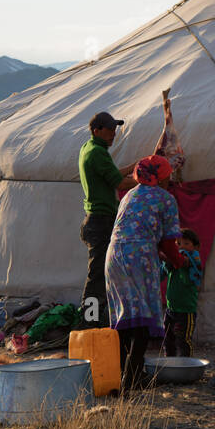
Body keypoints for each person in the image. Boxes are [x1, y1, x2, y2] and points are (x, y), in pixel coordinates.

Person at [104, 155, 182, 393]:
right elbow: (169, 243)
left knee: (123, 317)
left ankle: (117, 377)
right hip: (139, 259)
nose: (171, 177)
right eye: (169, 173)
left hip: (114, 256)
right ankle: (134, 378)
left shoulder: (129, 195)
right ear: (161, 176)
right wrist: (179, 263)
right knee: (141, 318)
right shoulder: (165, 199)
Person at [79, 111, 137, 326]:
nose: (114, 133)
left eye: (115, 129)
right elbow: (119, 184)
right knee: (97, 276)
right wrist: (149, 180)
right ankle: (90, 322)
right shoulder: (97, 153)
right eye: (109, 129)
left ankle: (96, 319)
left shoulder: (89, 148)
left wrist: (134, 167)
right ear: (97, 130)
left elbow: (111, 174)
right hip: (101, 220)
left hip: (95, 219)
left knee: (100, 273)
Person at [162, 228, 203, 358]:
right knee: (168, 340)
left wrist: (174, 257)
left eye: (186, 244)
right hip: (170, 310)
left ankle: (186, 367)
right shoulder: (173, 262)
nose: (181, 247)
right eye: (178, 244)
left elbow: (185, 264)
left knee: (183, 340)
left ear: (196, 247)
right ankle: (170, 364)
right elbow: (164, 268)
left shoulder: (193, 261)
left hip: (186, 312)